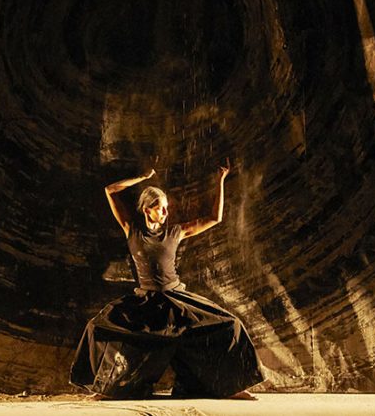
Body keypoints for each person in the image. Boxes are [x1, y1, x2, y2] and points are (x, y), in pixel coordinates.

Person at [70, 160, 264, 400]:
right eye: (161, 208)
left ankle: (231, 387)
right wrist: (142, 178)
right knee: (97, 327)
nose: (165, 213)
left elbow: (215, 218)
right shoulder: (132, 229)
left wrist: (220, 182)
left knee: (230, 325)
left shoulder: (175, 232)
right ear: (147, 208)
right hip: (146, 301)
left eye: (166, 208)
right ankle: (107, 389)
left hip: (175, 297)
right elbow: (110, 190)